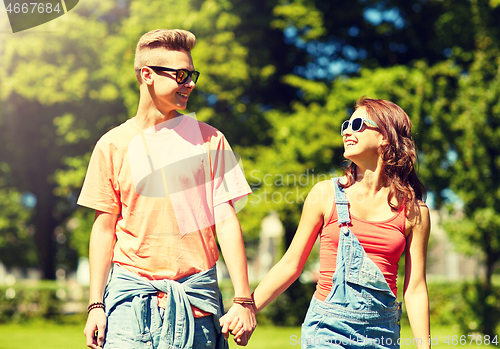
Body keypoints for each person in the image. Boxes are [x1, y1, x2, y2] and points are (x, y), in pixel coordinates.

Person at [79, 29, 256, 349]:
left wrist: (243, 300)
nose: (190, 83)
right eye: (181, 75)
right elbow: (104, 230)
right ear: (147, 75)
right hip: (129, 312)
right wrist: (95, 305)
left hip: (198, 309)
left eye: (192, 75)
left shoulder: (210, 140)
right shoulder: (112, 145)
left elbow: (226, 220)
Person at [222, 97, 430, 348]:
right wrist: (247, 308)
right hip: (327, 331)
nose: (346, 131)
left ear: (385, 136)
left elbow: (416, 288)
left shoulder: (414, 212)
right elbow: (291, 264)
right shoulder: (326, 195)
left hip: (382, 334)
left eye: (357, 124)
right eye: (345, 125)